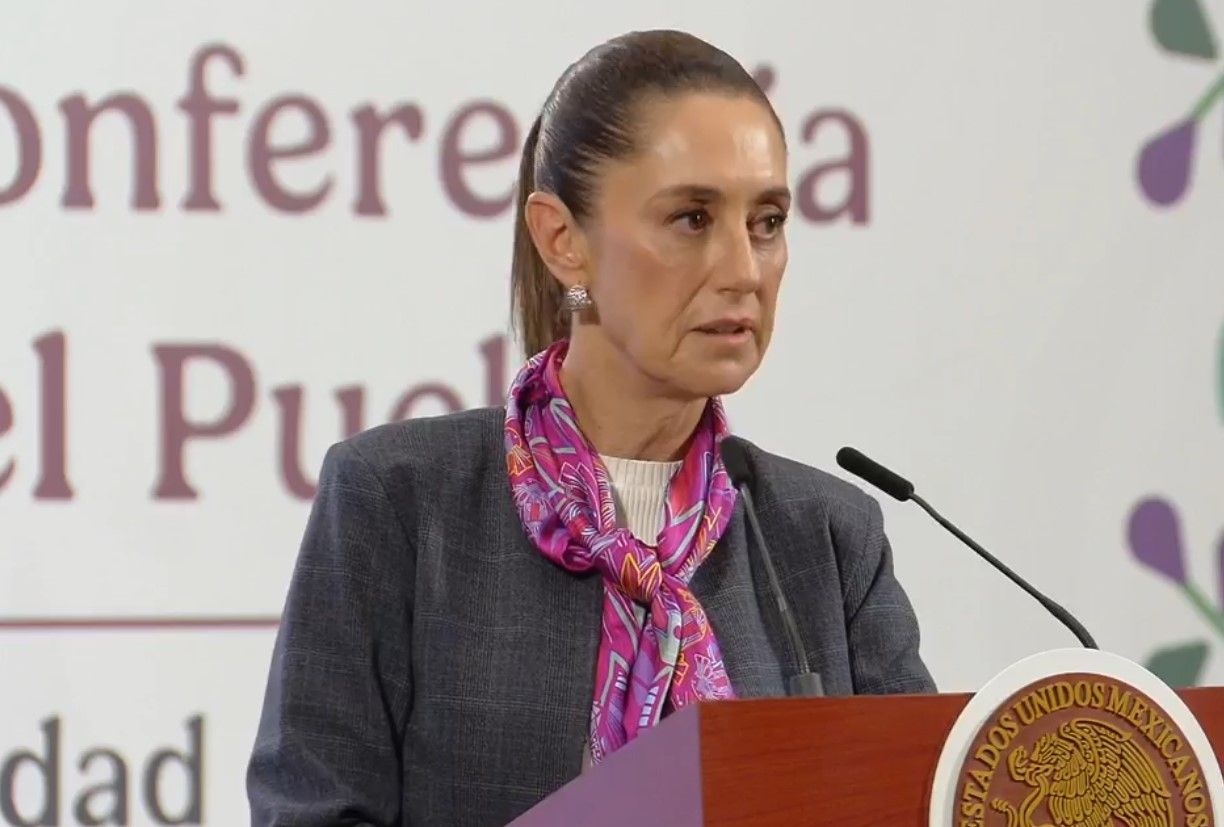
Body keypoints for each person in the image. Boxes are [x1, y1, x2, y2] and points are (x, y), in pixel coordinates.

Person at [247, 28, 934, 827]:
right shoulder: (399, 500)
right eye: (692, 218)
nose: (744, 269)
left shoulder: (826, 538)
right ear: (562, 240)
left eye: (767, 221)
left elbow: (920, 802)